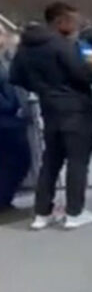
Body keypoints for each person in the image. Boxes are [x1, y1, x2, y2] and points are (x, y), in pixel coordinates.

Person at [9, 3, 92, 230]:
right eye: (74, 20)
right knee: (77, 162)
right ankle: (74, 212)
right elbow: (85, 74)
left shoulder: (25, 48)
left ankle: (42, 212)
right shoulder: (61, 45)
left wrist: (42, 88)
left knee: (51, 162)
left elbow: (15, 76)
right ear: (60, 22)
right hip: (76, 108)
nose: (78, 25)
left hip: (49, 108)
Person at [0, 56, 32, 215]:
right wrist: (11, 105)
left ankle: (5, 200)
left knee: (19, 161)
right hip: (6, 119)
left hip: (13, 120)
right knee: (15, 161)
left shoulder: (6, 60)